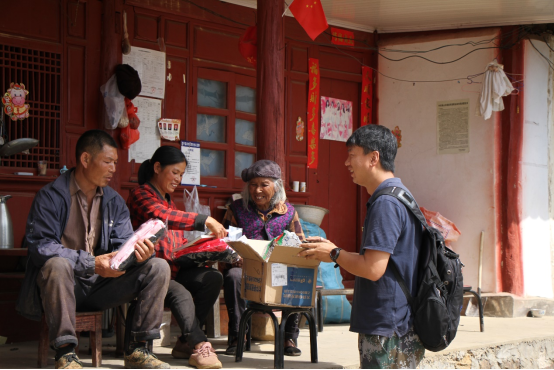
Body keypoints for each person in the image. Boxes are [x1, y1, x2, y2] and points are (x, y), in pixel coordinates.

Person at [16, 130, 171, 369]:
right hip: (63, 285)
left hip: (101, 285)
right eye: (107, 162)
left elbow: (122, 245)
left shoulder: (114, 200)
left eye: (115, 163)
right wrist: (91, 263)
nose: (113, 169)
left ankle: (138, 350)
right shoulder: (50, 196)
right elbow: (41, 247)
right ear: (85, 159)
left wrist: (137, 254)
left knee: (157, 267)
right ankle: (66, 354)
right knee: (56, 264)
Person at [299, 125, 425, 369]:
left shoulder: (386, 203)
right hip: (398, 323)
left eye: (352, 155)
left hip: (388, 328)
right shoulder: (400, 195)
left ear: (373, 158)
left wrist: (334, 253)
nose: (347, 163)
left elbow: (373, 268)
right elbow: (382, 261)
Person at [127, 146, 226, 370]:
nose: (178, 179)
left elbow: (178, 244)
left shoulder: (170, 201)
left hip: (174, 270)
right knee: (179, 291)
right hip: (148, 274)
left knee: (212, 277)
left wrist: (205, 248)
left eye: (181, 174)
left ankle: (183, 343)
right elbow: (162, 217)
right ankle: (199, 343)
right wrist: (205, 220)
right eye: (174, 172)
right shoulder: (141, 194)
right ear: (157, 168)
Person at [222, 160, 305, 356]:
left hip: (278, 270)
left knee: (299, 275)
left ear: (276, 186)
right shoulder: (236, 209)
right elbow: (226, 243)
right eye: (253, 185)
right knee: (233, 276)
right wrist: (235, 257)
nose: (257, 190)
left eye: (264, 185)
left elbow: (300, 245)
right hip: (246, 270)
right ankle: (237, 335)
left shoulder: (289, 213)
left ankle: (289, 337)